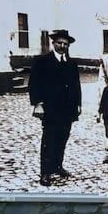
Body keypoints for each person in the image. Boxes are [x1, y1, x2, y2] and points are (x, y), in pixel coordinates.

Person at [28, 30, 82, 186]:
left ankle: (57, 166)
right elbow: (34, 84)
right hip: (50, 109)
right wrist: (38, 104)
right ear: (53, 43)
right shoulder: (42, 61)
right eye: (60, 43)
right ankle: (45, 172)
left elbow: (76, 86)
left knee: (62, 138)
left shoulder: (71, 64)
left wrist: (78, 104)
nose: (63, 46)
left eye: (66, 44)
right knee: (49, 140)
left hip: (68, 109)